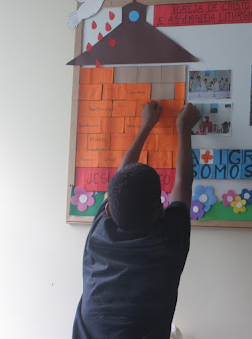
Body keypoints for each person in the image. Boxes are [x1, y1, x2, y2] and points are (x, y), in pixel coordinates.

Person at [72, 101, 201, 338]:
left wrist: (147, 126)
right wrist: (183, 128)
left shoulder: (98, 238)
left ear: (108, 210)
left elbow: (180, 185)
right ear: (161, 211)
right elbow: (182, 184)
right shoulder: (167, 245)